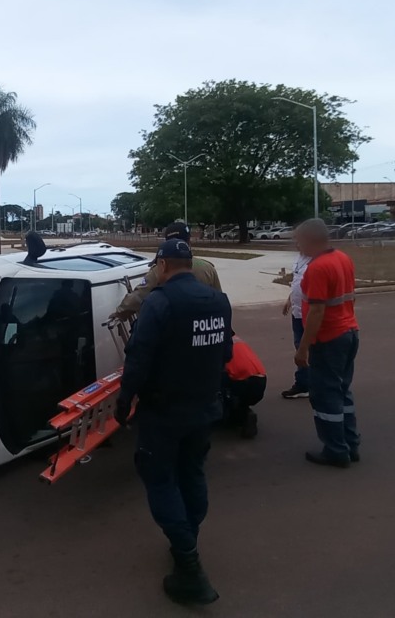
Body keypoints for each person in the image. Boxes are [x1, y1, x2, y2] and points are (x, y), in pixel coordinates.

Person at [115, 239, 233, 605]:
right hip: (204, 408)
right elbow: (226, 350)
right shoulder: (219, 300)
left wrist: (124, 400)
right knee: (192, 473)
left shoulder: (159, 302)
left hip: (164, 412)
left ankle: (189, 565)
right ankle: (187, 539)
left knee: (160, 477)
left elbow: (138, 356)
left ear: (163, 266)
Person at [291, 219, 361, 468]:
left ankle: (335, 450)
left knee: (325, 395)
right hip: (349, 331)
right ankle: (351, 444)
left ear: (310, 240)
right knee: (343, 391)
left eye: (298, 240)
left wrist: (303, 348)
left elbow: (317, 312)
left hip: (329, 338)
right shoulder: (343, 258)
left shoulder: (318, 267)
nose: (296, 245)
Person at [111, 222, 221, 321]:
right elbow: (218, 300)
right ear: (189, 241)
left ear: (167, 242)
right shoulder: (208, 268)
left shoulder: (161, 269)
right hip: (204, 329)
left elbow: (139, 296)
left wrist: (120, 312)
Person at [279, 247, 312, 399]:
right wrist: (290, 299)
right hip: (297, 312)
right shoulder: (300, 257)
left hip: (309, 313)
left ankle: (306, 384)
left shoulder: (316, 259)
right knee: (300, 347)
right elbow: (298, 282)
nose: (297, 243)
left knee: (305, 349)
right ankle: (305, 384)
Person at [222, 336, 267, 438]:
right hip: (260, 380)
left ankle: (237, 414)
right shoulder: (237, 340)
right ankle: (243, 412)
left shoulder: (217, 342)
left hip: (243, 382)